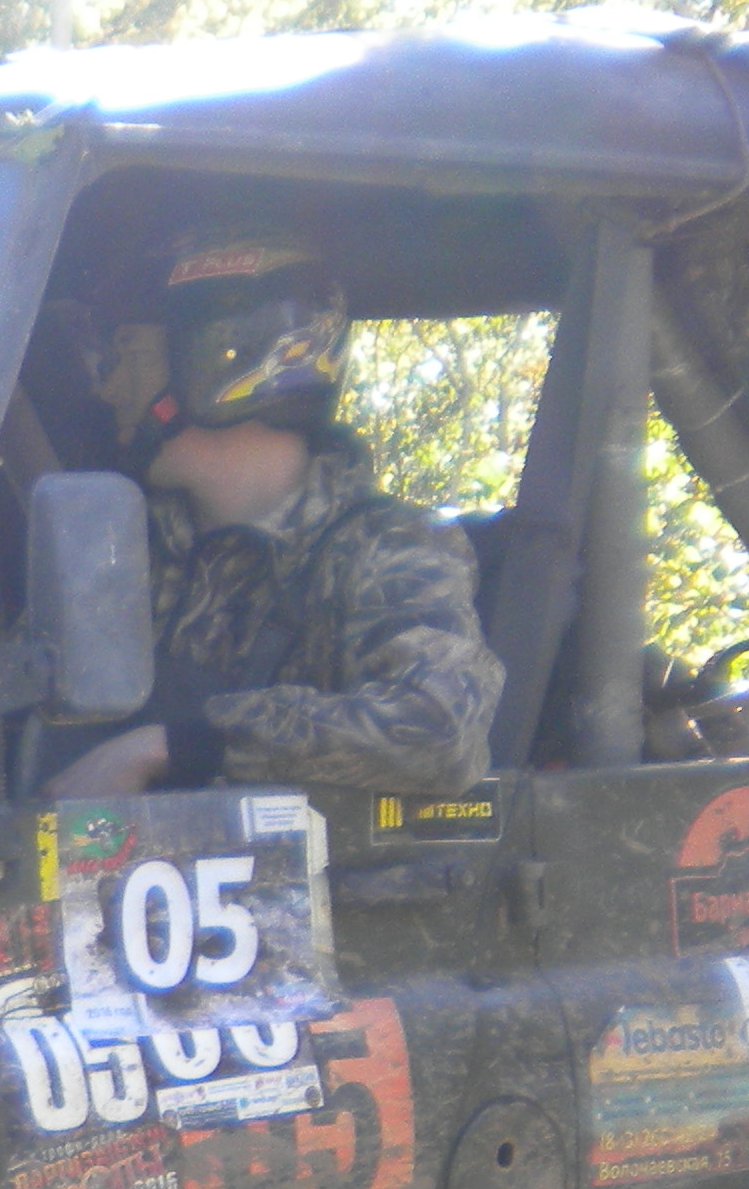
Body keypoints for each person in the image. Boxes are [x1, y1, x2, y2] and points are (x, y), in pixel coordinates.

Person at [46, 229, 502, 801]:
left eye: (128, 355)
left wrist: (174, 746)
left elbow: (440, 731)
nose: (110, 389)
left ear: (217, 362)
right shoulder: (126, 553)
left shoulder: (384, 549)